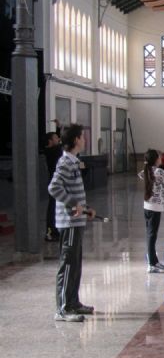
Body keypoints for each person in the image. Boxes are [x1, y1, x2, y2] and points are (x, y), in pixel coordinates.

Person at [48, 123, 96, 322]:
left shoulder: (74, 161)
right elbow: (54, 188)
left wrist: (85, 209)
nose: (84, 140)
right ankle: (63, 308)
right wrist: (74, 203)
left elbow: (72, 193)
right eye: (83, 137)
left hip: (76, 221)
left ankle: (73, 302)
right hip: (68, 223)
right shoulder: (65, 162)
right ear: (76, 139)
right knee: (67, 264)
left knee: (75, 263)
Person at [139, 149, 164, 273]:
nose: (161, 159)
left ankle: (153, 261)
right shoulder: (159, 172)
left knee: (150, 234)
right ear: (155, 159)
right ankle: (153, 263)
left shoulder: (146, 170)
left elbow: (140, 175)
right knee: (152, 235)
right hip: (155, 207)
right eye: (160, 157)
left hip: (147, 205)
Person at [44, 120, 63, 242]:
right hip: (54, 183)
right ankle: (50, 232)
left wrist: (58, 129)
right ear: (50, 141)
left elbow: (59, 143)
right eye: (55, 138)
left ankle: (54, 230)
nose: (58, 139)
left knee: (56, 207)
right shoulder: (51, 151)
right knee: (52, 208)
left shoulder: (53, 149)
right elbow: (61, 144)